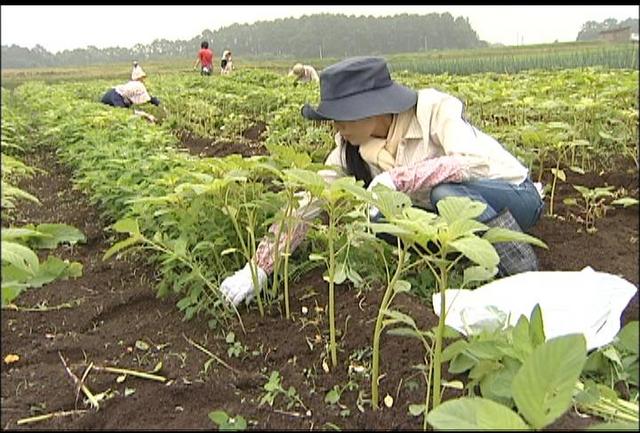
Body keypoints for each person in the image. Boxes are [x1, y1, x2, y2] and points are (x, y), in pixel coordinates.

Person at [220, 56, 545, 307]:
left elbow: (473, 162)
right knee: (377, 216)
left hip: (513, 196)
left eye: (341, 117)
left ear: (374, 110)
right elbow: (311, 199)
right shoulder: (351, 150)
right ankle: (455, 265)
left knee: (446, 192)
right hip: (451, 220)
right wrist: (260, 267)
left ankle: (523, 276)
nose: (336, 128)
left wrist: (399, 178)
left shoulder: (434, 111)